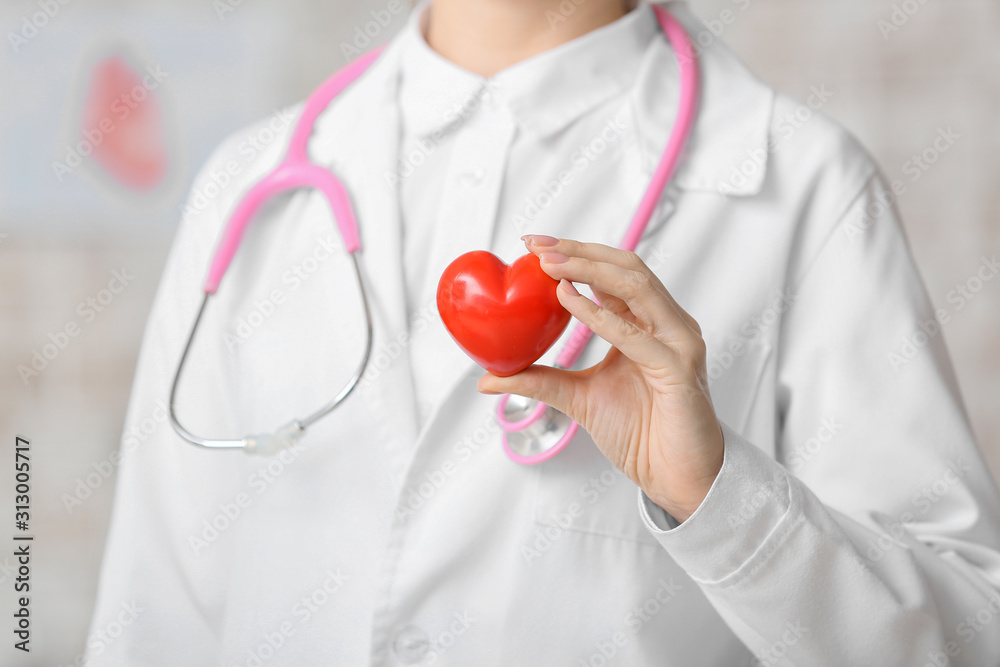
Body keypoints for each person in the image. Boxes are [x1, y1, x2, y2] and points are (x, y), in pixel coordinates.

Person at [86, 0, 1000, 665]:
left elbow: (965, 636)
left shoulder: (800, 183)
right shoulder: (247, 187)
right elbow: (150, 619)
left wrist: (717, 496)